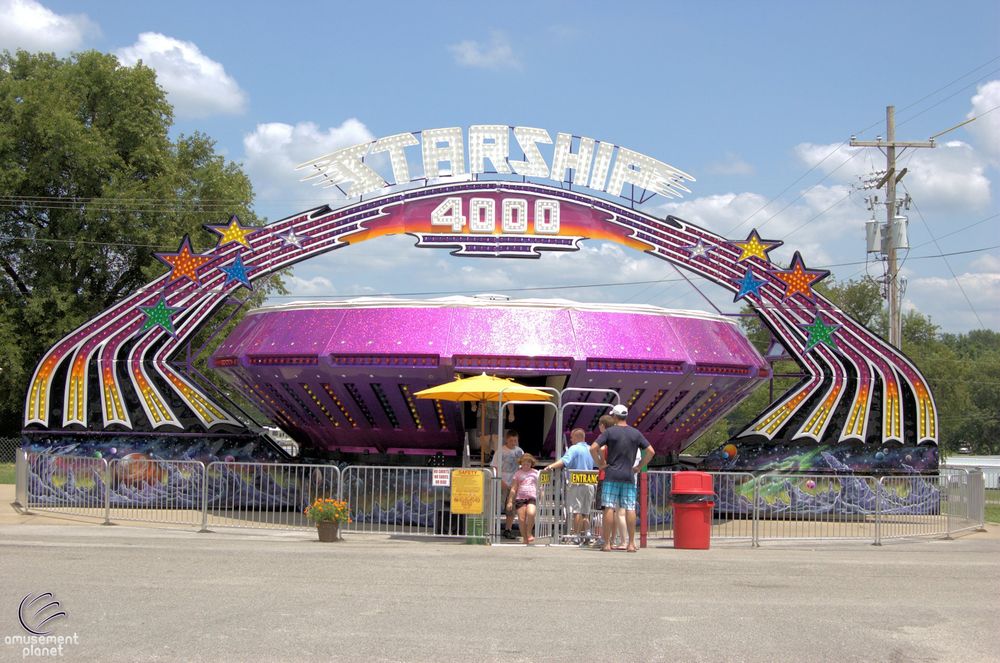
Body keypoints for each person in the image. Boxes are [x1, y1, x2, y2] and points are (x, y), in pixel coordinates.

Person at [590, 404, 654, 553]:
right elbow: (651, 451)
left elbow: (593, 447)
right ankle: (631, 543)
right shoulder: (635, 433)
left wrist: (600, 464)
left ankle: (607, 543)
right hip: (628, 475)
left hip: (612, 474)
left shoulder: (610, 432)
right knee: (629, 508)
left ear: (615, 416)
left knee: (609, 507)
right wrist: (639, 466)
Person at [542, 428, 596, 544]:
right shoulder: (591, 449)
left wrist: (551, 466)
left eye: (571, 437)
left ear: (577, 437)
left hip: (577, 483)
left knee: (576, 511)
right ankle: (587, 534)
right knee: (586, 512)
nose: (571, 440)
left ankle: (576, 536)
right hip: (590, 482)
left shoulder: (574, 448)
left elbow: (564, 461)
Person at [492, 429, 523, 539]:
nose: (513, 443)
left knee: (511, 507)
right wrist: (500, 481)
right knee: (498, 505)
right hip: (502, 480)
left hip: (514, 482)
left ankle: (508, 529)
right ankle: (493, 528)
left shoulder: (519, 451)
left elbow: (522, 467)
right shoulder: (500, 451)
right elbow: (494, 467)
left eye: (515, 440)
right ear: (506, 440)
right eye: (511, 440)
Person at [506, 453, 539, 545]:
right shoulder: (518, 473)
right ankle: (525, 538)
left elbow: (540, 485)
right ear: (521, 463)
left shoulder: (535, 473)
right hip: (520, 497)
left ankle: (529, 533)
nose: (526, 465)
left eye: (528, 464)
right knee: (521, 519)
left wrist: (542, 494)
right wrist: (510, 501)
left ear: (531, 464)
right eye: (524, 464)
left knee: (531, 513)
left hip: (532, 496)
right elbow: (513, 488)